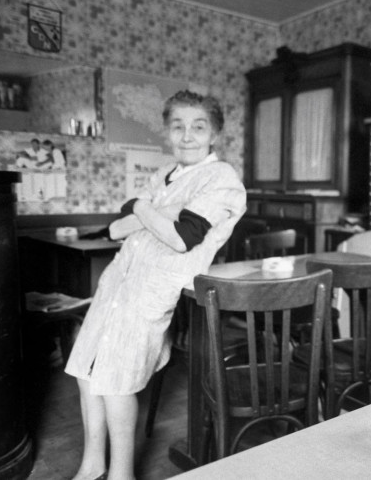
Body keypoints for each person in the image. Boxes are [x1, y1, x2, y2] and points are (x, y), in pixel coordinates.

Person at [64, 90, 247, 480]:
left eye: (198, 127)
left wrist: (143, 209)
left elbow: (183, 237)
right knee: (85, 368)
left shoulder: (222, 178)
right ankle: (91, 464)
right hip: (118, 279)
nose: (187, 136)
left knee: (115, 381)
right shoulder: (162, 174)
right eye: (177, 126)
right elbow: (117, 227)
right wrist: (158, 212)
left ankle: (120, 474)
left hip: (154, 288)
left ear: (214, 133)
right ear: (166, 132)